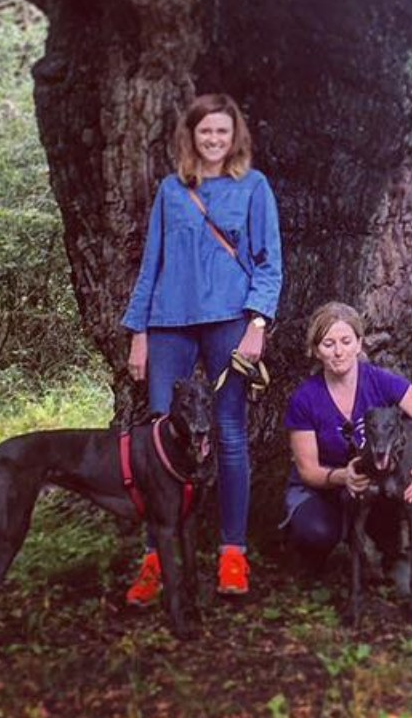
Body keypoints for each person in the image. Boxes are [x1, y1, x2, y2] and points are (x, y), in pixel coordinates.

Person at [121, 92, 282, 602]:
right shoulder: (172, 191)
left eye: (222, 132)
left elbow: (268, 262)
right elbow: (152, 265)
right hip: (170, 322)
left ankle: (232, 554)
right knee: (159, 442)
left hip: (229, 321)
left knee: (229, 433)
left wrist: (257, 325)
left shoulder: (253, 187)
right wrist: (139, 333)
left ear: (235, 138)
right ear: (190, 137)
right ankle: (155, 557)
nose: (213, 140)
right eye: (204, 132)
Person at [282, 302, 412, 584]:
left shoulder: (380, 381)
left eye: (345, 341)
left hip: (375, 483)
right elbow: (307, 470)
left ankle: (390, 555)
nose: (338, 351)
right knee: (315, 530)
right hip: (324, 486)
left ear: (359, 344)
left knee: (389, 501)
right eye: (328, 344)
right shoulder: (305, 398)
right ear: (316, 350)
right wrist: (343, 476)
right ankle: (316, 556)